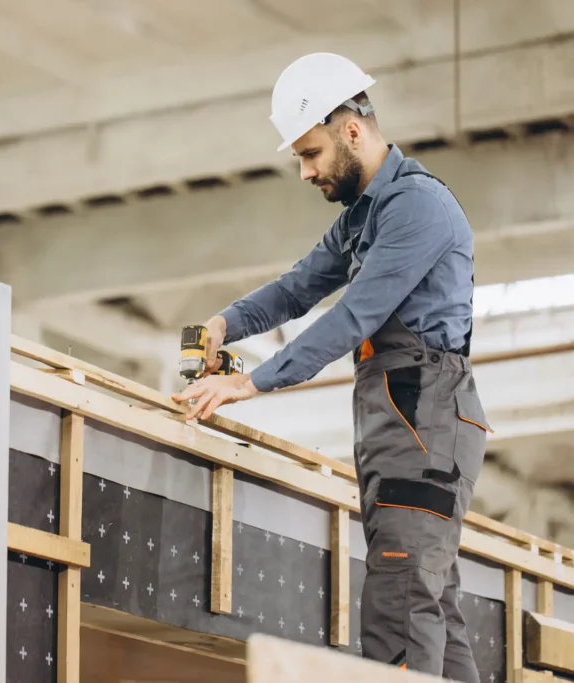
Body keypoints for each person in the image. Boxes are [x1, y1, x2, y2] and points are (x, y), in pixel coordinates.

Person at [171, 52, 492, 680]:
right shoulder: (361, 219)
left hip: (425, 421)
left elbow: (352, 317)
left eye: (311, 153)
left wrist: (250, 380)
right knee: (434, 616)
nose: (304, 171)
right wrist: (222, 326)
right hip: (405, 424)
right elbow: (296, 289)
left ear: (352, 130)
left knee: (400, 608)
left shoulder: (417, 207)